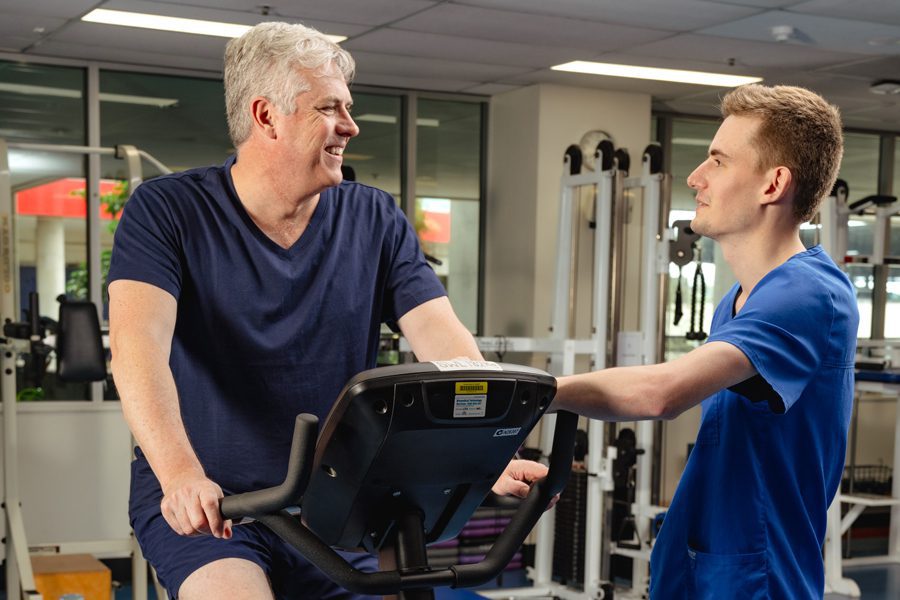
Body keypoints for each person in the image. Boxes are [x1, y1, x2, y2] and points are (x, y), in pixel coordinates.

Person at [108, 22, 545, 600]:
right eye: (330, 108)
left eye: (349, 107)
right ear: (267, 117)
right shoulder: (167, 212)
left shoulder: (374, 220)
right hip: (216, 504)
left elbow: (441, 335)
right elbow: (138, 352)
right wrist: (180, 474)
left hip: (332, 499)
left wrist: (484, 443)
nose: (351, 125)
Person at [552, 84, 857, 598]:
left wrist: (529, 390)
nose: (696, 178)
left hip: (757, 580)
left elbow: (660, 393)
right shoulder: (739, 299)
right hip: (704, 566)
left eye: (718, 161)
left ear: (772, 184)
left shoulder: (809, 293)